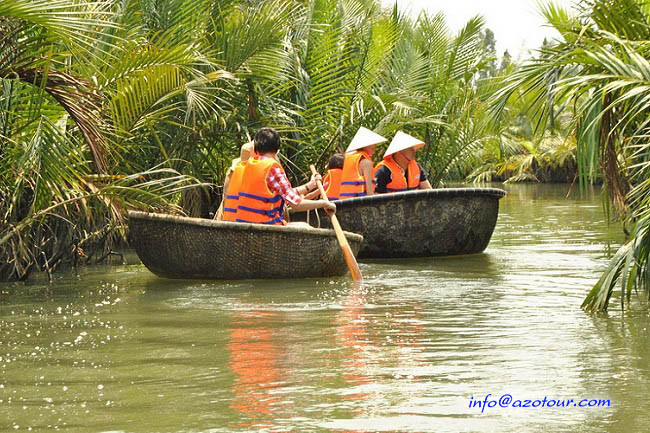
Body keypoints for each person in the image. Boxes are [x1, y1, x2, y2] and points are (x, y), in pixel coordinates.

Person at [235, 128, 335, 225]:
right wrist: (324, 203)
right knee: (304, 226)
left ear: (256, 148)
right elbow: (296, 204)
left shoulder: (248, 165)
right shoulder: (272, 168)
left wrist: (311, 185)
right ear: (277, 150)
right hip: (264, 228)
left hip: (243, 226)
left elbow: (285, 193)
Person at [339, 127, 387, 199]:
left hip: (344, 202)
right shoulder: (366, 163)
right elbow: (369, 193)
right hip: (358, 203)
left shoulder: (348, 158)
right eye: (372, 144)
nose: (375, 146)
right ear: (365, 145)